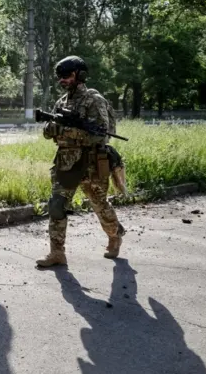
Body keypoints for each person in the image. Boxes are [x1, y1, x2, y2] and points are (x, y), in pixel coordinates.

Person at [37, 55, 126, 268]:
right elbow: (49, 133)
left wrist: (68, 131)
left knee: (99, 205)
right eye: (60, 77)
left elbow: (102, 135)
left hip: (92, 162)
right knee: (57, 205)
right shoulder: (62, 102)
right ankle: (57, 253)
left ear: (79, 75)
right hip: (66, 163)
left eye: (66, 76)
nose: (62, 80)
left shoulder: (94, 100)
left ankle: (115, 235)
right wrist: (52, 129)